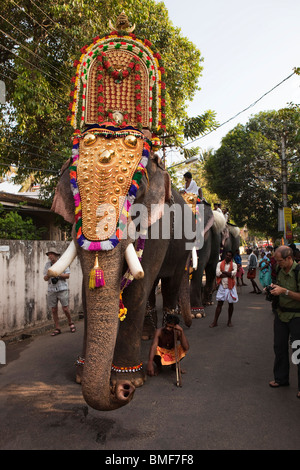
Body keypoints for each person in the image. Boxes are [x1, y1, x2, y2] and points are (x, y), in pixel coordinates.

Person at [268, 246, 300, 399]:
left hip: (296, 316)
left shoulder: (298, 271)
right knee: (279, 347)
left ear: (289, 258)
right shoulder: (279, 269)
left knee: (298, 350)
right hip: (281, 314)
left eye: (280, 261)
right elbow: (277, 287)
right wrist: (272, 290)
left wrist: (284, 292)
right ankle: (281, 378)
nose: (278, 263)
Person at [43, 247, 76, 336]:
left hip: (62, 288)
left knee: (65, 308)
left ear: (56, 255)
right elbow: (45, 278)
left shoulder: (63, 264)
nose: (50, 256)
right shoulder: (47, 265)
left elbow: (67, 275)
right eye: (49, 254)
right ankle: (57, 328)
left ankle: (71, 323)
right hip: (51, 289)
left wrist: (58, 274)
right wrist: (49, 275)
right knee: (54, 310)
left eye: (51, 254)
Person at [209, 250, 238, 328]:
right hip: (222, 286)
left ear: (231, 257)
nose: (228, 256)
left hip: (231, 287)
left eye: (229, 256)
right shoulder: (219, 263)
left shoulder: (234, 265)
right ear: (225, 255)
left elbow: (233, 274)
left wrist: (224, 272)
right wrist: (228, 274)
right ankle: (215, 322)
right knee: (219, 304)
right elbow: (218, 274)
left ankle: (229, 321)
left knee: (231, 304)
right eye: (227, 255)